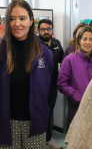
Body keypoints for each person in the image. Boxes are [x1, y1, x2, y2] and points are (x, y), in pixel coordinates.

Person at [0, 0, 53, 148]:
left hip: (35, 123)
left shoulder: (44, 54)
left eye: (22, 18)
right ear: (6, 21)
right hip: (5, 123)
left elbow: (48, 87)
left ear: (31, 21)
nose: (17, 23)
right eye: (12, 19)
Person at [57, 25, 92, 131]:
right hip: (76, 107)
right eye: (84, 39)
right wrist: (77, 96)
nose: (87, 42)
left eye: (91, 39)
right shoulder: (69, 59)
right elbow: (62, 83)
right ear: (79, 40)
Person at [38, 19, 64, 149]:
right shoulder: (33, 44)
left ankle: (47, 139)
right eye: (43, 29)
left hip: (52, 87)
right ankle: (37, 139)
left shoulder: (57, 44)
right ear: (38, 30)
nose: (46, 31)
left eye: (49, 28)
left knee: (48, 113)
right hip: (37, 87)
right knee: (37, 113)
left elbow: (64, 63)